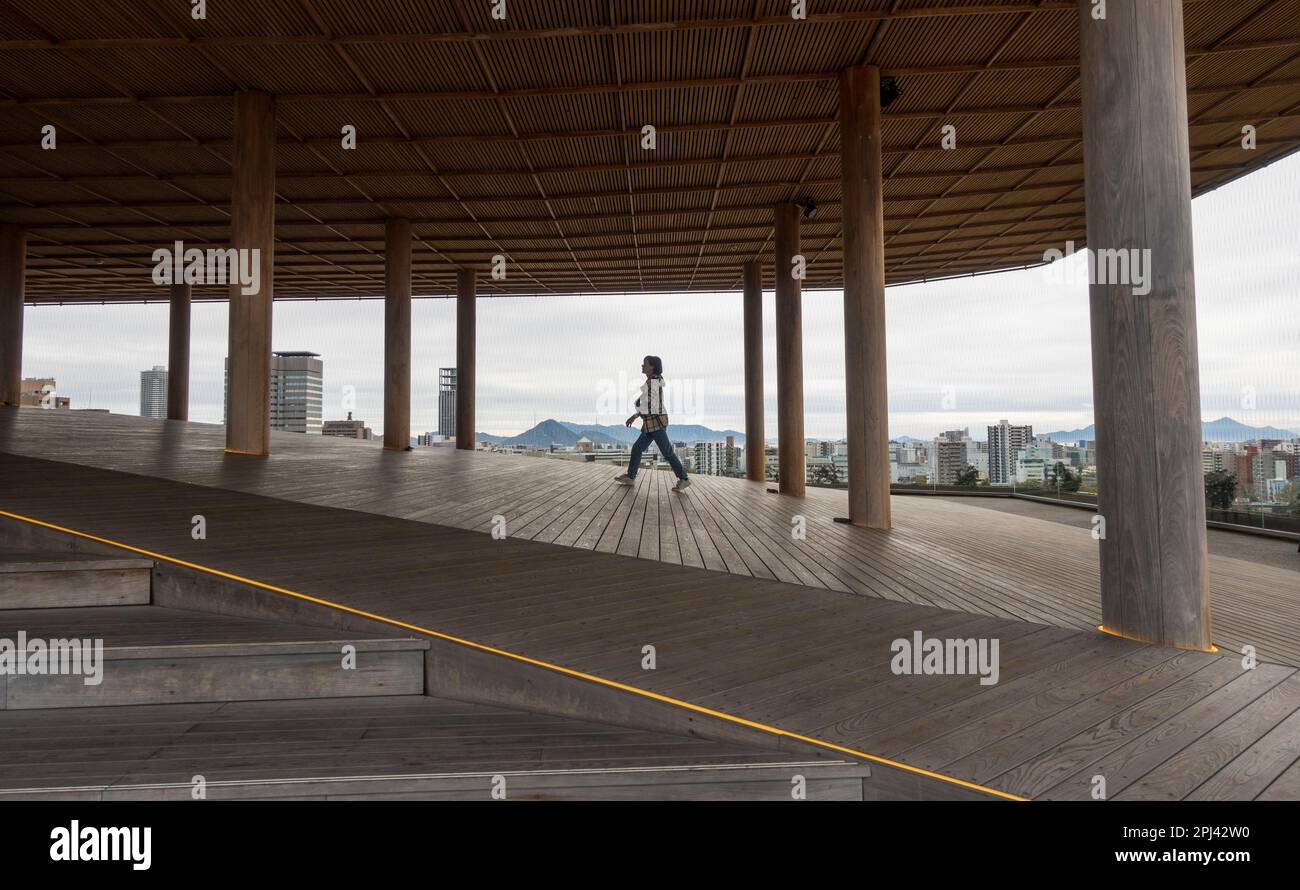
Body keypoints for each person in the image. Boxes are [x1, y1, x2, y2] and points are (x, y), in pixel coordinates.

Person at [614, 355, 690, 492]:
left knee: (667, 452)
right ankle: (630, 477)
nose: (642, 366)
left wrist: (635, 414)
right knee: (637, 448)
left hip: (656, 423)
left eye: (645, 364)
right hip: (651, 423)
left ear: (652, 367)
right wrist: (638, 411)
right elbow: (648, 403)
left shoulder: (653, 382)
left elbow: (652, 404)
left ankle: (684, 479)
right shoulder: (652, 381)